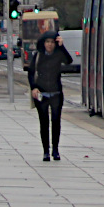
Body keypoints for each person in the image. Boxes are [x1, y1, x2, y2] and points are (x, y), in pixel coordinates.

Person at [28, 32, 73, 161]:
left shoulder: (58, 55)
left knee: (56, 121)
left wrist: (62, 46)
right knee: (44, 122)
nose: (50, 45)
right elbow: (31, 73)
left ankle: (55, 149)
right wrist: (34, 88)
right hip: (41, 94)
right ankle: (45, 151)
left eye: (52, 42)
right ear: (43, 43)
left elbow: (68, 60)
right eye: (47, 42)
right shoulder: (38, 56)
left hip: (56, 93)